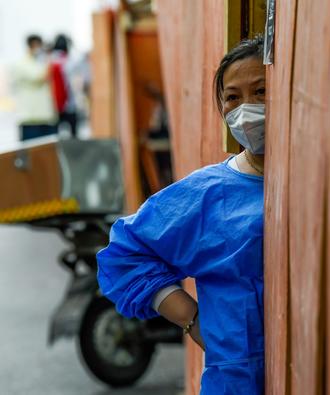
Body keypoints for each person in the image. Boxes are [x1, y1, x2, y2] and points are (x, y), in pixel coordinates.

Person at [96, 36, 266, 394]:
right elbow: (126, 253)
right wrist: (192, 320)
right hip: (234, 382)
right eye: (233, 98)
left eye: (261, 91)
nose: (246, 109)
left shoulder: (319, 184)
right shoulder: (208, 193)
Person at [12, 34, 57, 140]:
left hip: (46, 119)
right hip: (31, 121)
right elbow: (40, 77)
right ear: (31, 46)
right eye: (38, 46)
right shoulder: (22, 64)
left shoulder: (39, 63)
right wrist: (49, 57)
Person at [50, 34, 78, 138]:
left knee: (55, 136)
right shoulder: (70, 60)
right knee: (73, 134)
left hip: (56, 103)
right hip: (68, 102)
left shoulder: (50, 59)